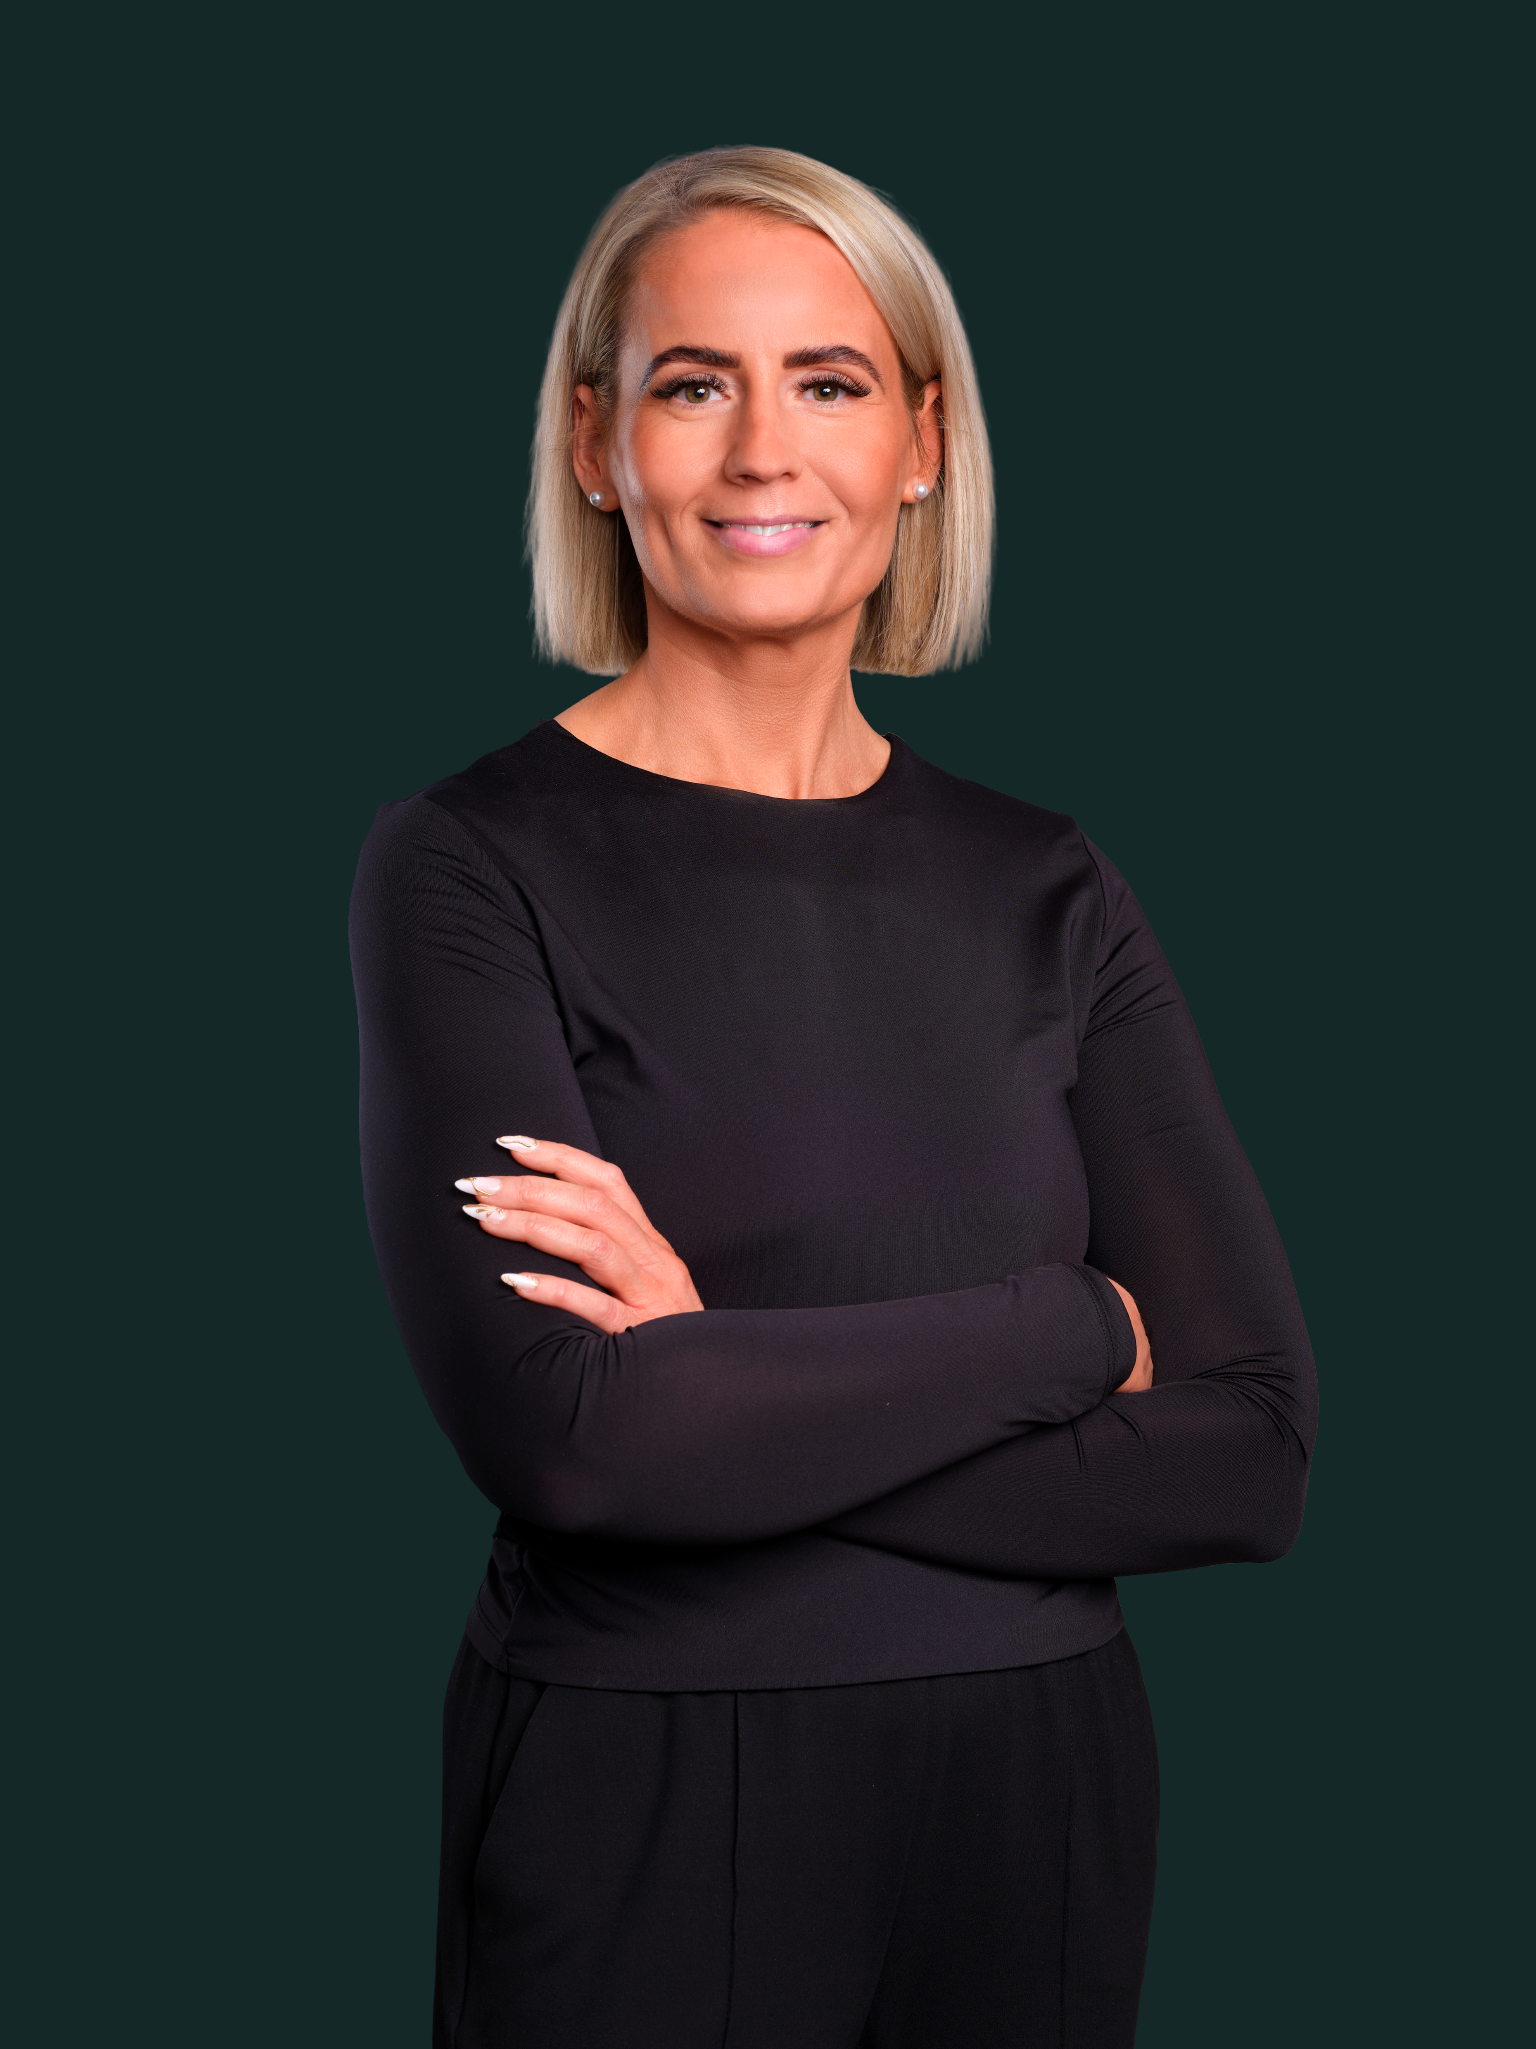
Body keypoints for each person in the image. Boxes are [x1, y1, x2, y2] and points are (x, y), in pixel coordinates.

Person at [350, 146, 1317, 2049]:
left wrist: (722, 1381)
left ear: (924, 442)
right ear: (596, 444)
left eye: (830, 380)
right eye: (692, 384)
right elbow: (578, 1446)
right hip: (649, 1784)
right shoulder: (468, 865)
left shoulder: (1048, 881)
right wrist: (1072, 1331)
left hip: (1039, 1794)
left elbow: (1253, 1457)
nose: (760, 452)